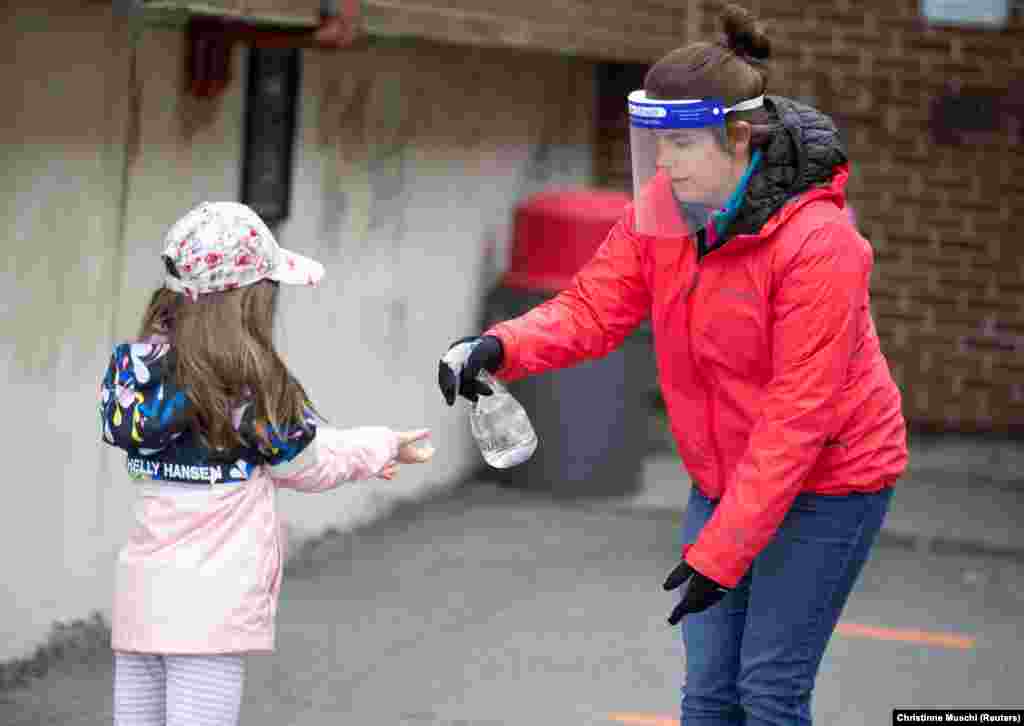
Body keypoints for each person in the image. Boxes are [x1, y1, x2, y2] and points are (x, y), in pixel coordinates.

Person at [437, 5, 907, 725]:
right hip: (723, 474)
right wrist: (500, 345)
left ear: (740, 139)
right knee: (709, 694)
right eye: (656, 143)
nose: (665, 163)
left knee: (769, 693)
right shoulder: (665, 210)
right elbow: (594, 310)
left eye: (683, 144)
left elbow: (797, 416)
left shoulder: (821, 245)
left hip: (827, 483)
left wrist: (720, 554)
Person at [100, 201, 434, 726]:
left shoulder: (137, 372)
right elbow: (308, 463)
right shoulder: (247, 387)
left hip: (140, 601)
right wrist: (383, 445)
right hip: (208, 614)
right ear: (246, 302)